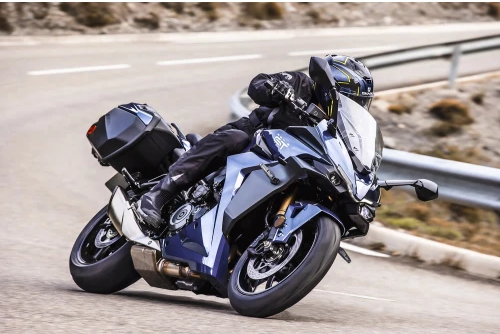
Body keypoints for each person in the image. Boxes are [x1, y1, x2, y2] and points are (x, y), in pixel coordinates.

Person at [136, 54, 374, 229]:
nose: (352, 107)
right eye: (350, 99)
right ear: (332, 89)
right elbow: (257, 85)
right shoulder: (301, 84)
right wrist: (276, 88)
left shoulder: (336, 129)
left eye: (359, 103)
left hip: (290, 164)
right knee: (235, 138)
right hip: (256, 138)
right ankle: (158, 195)